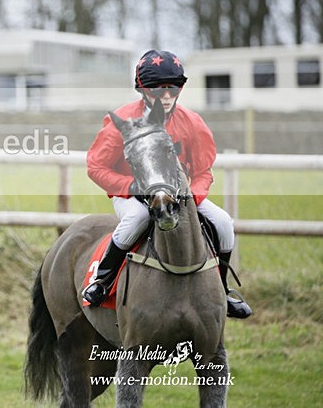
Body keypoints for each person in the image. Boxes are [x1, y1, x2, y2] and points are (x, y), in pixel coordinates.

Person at [83, 49, 252, 319]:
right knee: (135, 220)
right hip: (133, 196)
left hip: (182, 198)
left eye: (172, 89)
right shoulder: (123, 120)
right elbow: (97, 167)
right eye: (157, 90)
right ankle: (102, 281)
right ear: (142, 90)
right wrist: (132, 187)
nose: (166, 96)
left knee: (222, 222)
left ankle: (222, 288)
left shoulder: (193, 123)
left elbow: (203, 172)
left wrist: (191, 198)